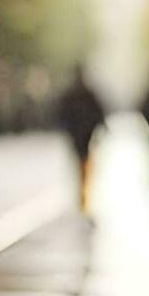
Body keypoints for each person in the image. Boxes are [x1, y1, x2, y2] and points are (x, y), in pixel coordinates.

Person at [57, 67, 105, 209]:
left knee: (81, 163)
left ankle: (82, 193)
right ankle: (83, 193)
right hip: (83, 135)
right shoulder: (84, 94)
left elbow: (62, 113)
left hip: (80, 134)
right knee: (83, 163)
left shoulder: (77, 94)